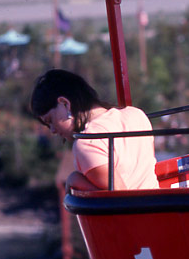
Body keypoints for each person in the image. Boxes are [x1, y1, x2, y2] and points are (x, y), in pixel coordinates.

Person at [31, 69, 159, 192]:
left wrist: (75, 180)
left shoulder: (88, 142)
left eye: (50, 120)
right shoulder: (136, 114)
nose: (52, 130)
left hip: (139, 214)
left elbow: (120, 199)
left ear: (64, 103)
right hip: (160, 209)